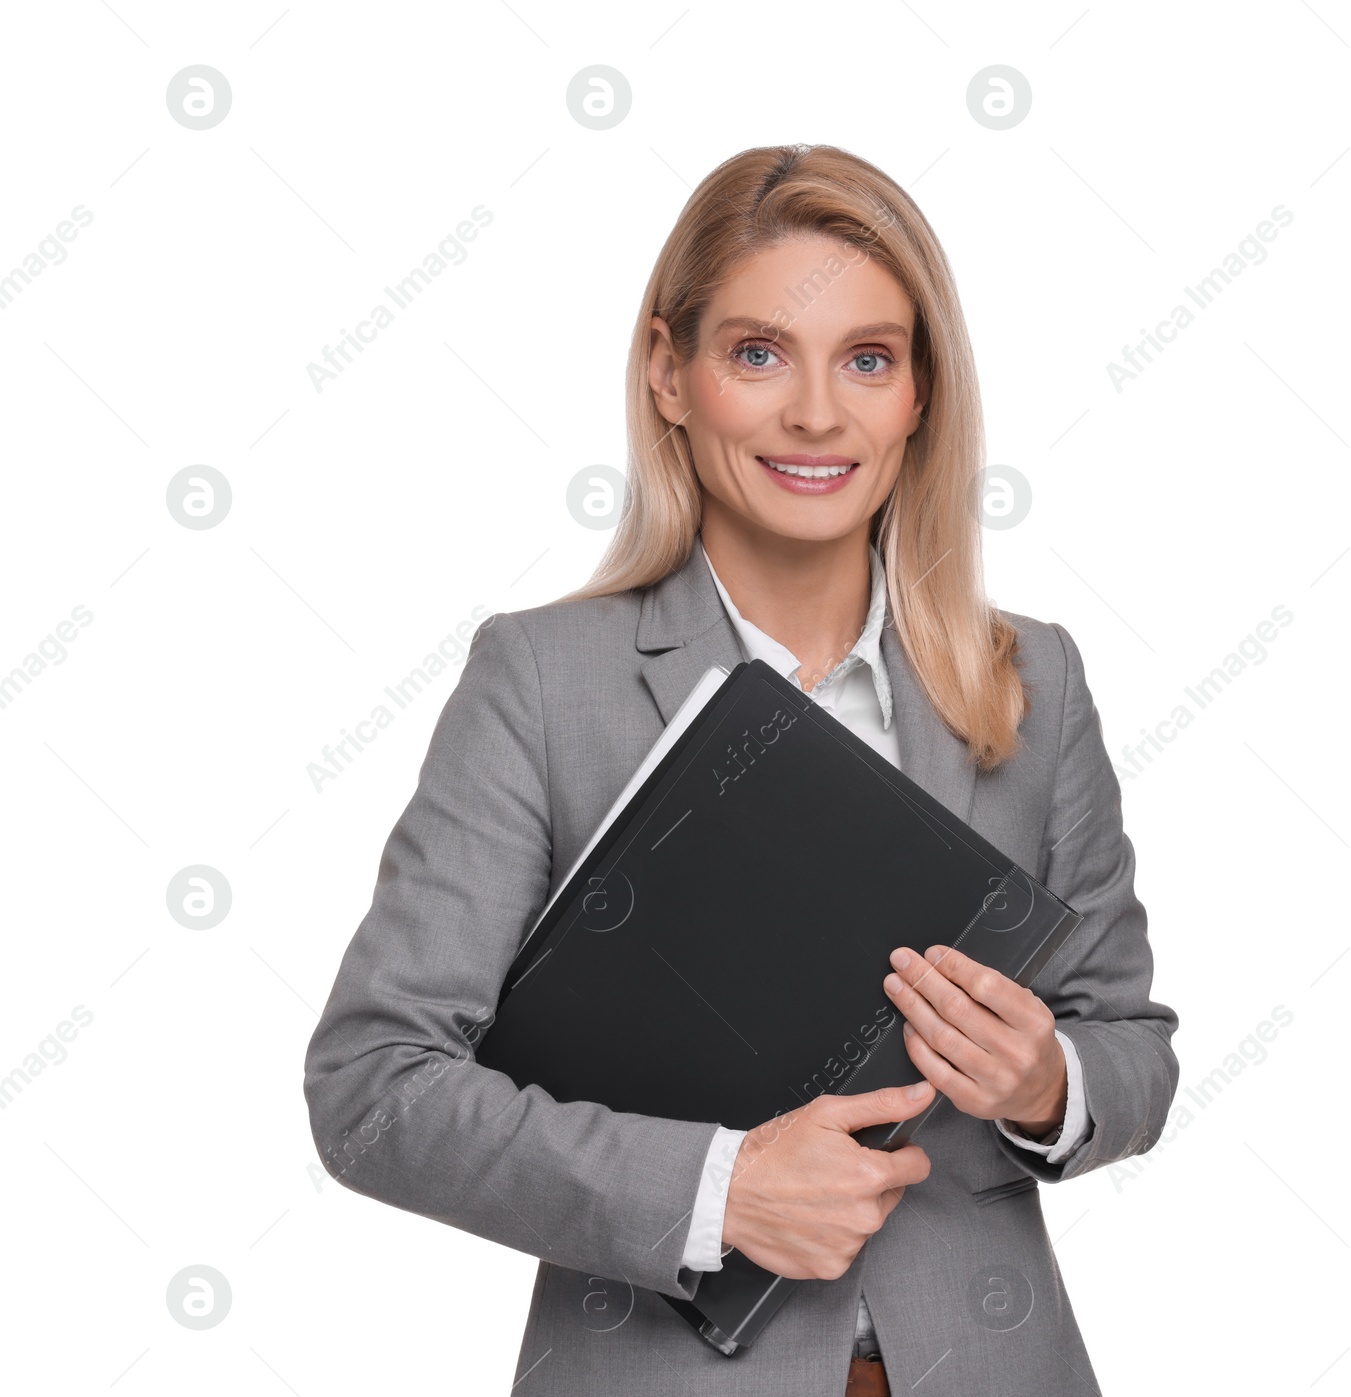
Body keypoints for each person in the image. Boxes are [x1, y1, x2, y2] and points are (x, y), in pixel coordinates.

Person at [303, 142, 1178, 1397]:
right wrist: (719, 1190)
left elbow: (1131, 1044)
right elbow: (373, 1091)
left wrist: (1051, 1083)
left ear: (920, 393)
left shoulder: (1030, 681)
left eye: (867, 359)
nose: (816, 413)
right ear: (670, 372)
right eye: (757, 353)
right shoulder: (545, 683)